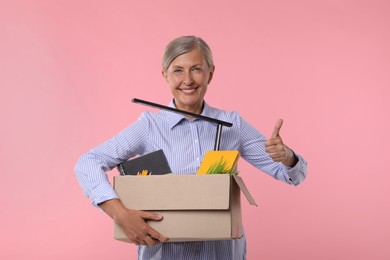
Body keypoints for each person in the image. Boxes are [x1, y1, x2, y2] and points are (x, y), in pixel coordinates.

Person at [75, 35, 307, 259]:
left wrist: (287, 157)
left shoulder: (232, 124)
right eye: (178, 70)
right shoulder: (150, 126)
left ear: (210, 73)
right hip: (163, 252)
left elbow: (292, 175)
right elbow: (88, 162)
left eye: (196, 69)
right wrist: (118, 213)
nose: (187, 80)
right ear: (165, 75)